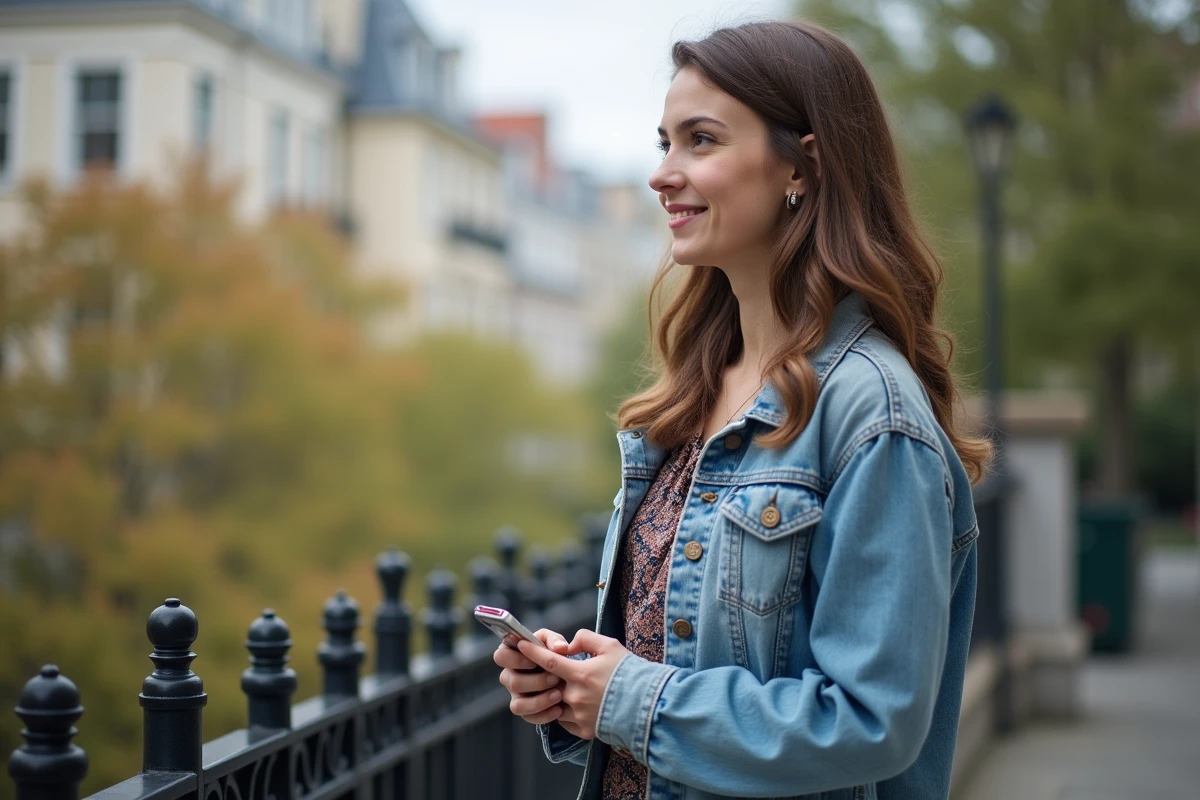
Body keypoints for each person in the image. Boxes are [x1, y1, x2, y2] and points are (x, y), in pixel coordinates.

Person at [494, 18, 992, 800]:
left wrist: (629, 697)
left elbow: (871, 720)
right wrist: (577, 689)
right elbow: (682, 655)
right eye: (664, 141)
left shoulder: (871, 414)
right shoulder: (693, 393)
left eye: (700, 141)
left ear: (804, 164)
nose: (662, 174)